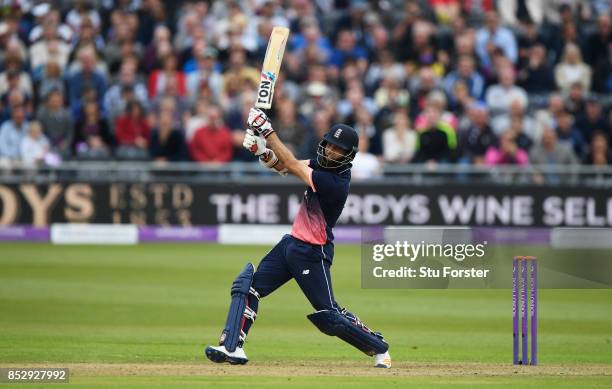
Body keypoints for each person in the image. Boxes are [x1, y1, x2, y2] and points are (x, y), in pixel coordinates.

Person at [205, 108, 391, 368]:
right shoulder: (320, 164)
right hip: (290, 245)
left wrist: (268, 132)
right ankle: (231, 346)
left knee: (329, 315)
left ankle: (379, 347)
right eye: (329, 146)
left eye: (338, 150)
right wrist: (260, 151)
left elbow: (292, 164)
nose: (330, 152)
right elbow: (283, 167)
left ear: (347, 156)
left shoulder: (336, 182)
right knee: (248, 287)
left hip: (313, 252)